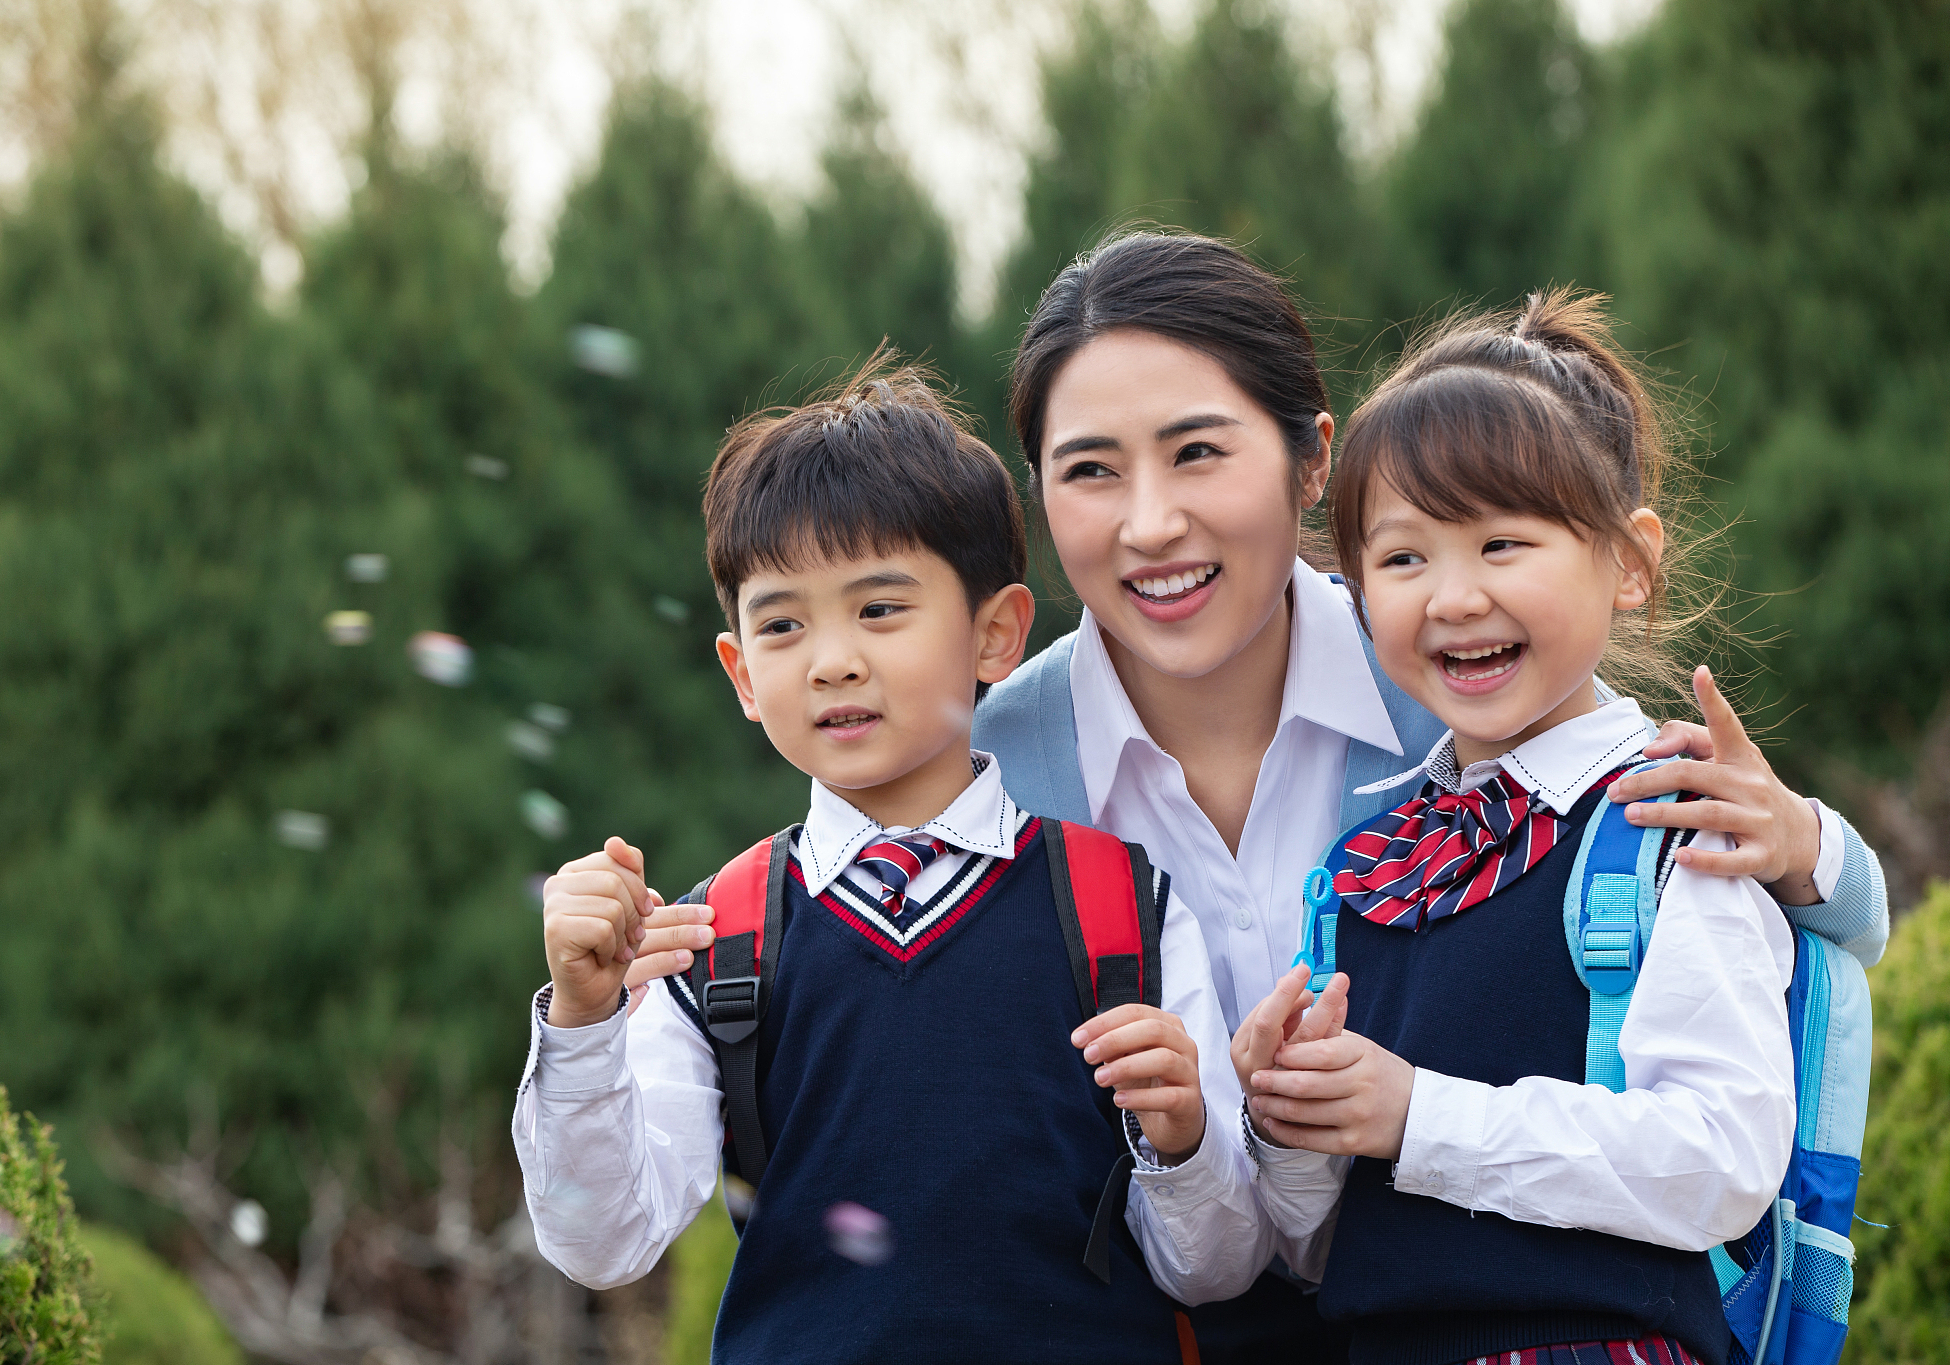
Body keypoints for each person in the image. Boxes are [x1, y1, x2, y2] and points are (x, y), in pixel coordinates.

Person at [962, 231, 1889, 1361]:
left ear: (1311, 464)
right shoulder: (999, 755)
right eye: (1090, 468)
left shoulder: (1452, 671)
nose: (1148, 522)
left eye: (1197, 451)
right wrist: (1265, 1119)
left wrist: (1801, 842)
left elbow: (1790, 912)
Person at [511, 362, 1342, 1365]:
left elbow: (1210, 1268)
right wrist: (582, 1026)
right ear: (738, 671)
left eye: (878, 610)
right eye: (781, 624)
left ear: (993, 635)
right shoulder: (716, 938)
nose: (829, 662)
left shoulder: (1118, 903)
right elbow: (604, 1240)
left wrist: (1181, 1143)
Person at [1235, 288, 1796, 1365]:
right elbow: (1317, 1251)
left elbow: (1721, 1160)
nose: (1449, 597)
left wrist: (1414, 1114)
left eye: (1500, 544)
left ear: (1627, 564)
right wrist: (1286, 1117)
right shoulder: (1367, 866)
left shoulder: (1668, 821)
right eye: (1401, 559)